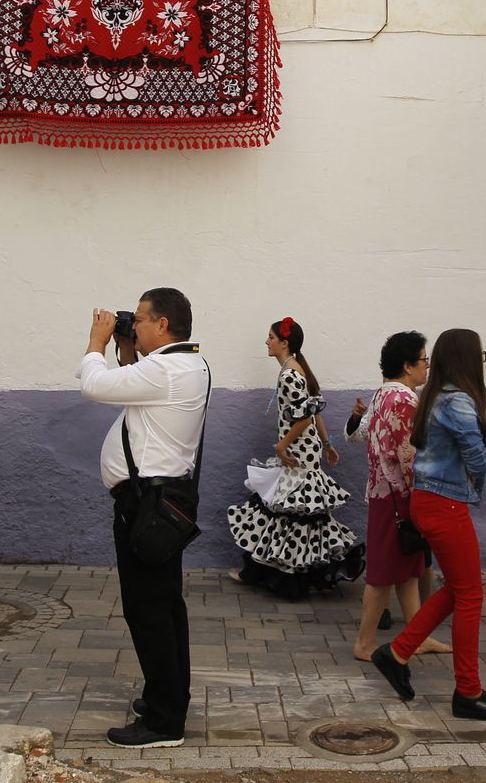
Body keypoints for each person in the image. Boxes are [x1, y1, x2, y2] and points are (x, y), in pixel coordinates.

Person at [77, 289, 209, 749]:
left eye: (143, 319)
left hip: (145, 506)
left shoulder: (166, 368)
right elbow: (136, 384)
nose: (135, 325)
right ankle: (167, 696)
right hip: (156, 501)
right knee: (166, 607)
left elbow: (95, 385)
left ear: (164, 325)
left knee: (148, 610)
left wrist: (96, 342)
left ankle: (164, 722)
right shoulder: (185, 363)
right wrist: (129, 351)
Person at [370, 328, 486, 722]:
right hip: (446, 505)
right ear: (468, 360)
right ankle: (468, 691)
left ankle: (397, 652)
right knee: (472, 596)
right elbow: (477, 458)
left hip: (429, 502)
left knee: (460, 590)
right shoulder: (459, 401)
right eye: (480, 357)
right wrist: (477, 489)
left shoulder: (433, 395)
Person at [226, 317, 365, 598]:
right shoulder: (298, 369)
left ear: (284, 343)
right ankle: (274, 572)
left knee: (288, 510)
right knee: (292, 511)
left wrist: (282, 445)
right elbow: (313, 412)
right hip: (305, 449)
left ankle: (282, 577)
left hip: (297, 451)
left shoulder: (290, 374)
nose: (267, 342)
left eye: (271, 337)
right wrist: (326, 444)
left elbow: (303, 418)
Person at [349, 331, 451, 661]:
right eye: (424, 360)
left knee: (407, 571)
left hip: (383, 494)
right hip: (399, 497)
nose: (427, 367)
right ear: (408, 366)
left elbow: (361, 434)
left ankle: (416, 635)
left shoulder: (382, 395)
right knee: (382, 577)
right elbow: (409, 457)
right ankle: (364, 644)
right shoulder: (407, 401)